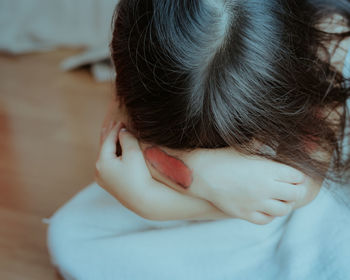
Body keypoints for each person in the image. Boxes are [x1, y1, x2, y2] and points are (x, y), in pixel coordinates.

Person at [47, 0, 350, 279]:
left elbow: (304, 187)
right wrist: (204, 177)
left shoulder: (328, 35)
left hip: (293, 184)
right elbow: (122, 140)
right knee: (69, 234)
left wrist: (158, 201)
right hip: (232, 197)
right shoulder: (151, 31)